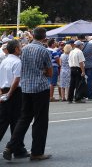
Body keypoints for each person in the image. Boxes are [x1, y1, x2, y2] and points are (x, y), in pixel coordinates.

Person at [3, 27, 52, 162]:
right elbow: (49, 73)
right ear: (44, 37)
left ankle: (10, 146)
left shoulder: (24, 49)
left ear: (32, 36)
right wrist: (40, 72)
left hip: (25, 88)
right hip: (40, 88)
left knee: (24, 119)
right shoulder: (44, 51)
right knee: (40, 121)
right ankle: (37, 153)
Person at [0, 40, 23, 149]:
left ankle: (18, 147)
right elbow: (16, 79)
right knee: (14, 121)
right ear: (16, 49)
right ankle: (17, 147)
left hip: (5, 90)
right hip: (14, 92)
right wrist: (9, 93)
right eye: (20, 47)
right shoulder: (17, 61)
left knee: (7, 120)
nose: (21, 48)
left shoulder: (4, 61)